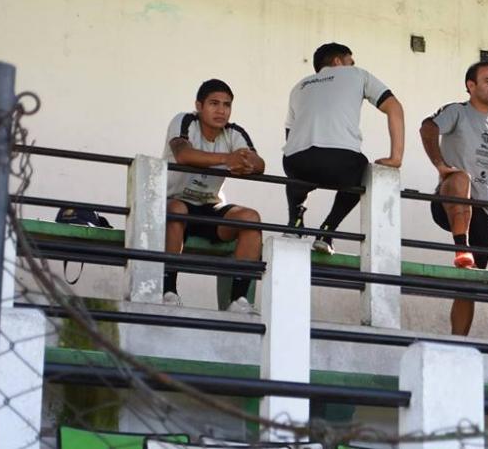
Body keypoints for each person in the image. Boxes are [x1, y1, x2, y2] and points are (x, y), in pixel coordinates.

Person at [420, 61, 488, 336]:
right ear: (470, 86)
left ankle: (458, 341)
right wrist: (439, 164)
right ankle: (461, 247)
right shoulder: (457, 111)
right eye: (487, 80)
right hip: (449, 201)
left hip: (482, 212)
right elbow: (427, 127)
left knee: (469, 285)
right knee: (461, 177)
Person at [284, 42, 404, 255]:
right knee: (362, 173)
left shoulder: (298, 87)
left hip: (295, 162)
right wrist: (396, 158)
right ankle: (327, 231)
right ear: (339, 62)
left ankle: (295, 221)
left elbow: (290, 134)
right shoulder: (356, 74)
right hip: (338, 161)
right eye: (351, 61)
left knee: (296, 169)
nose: (353, 64)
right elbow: (394, 107)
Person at [164, 79, 265, 312]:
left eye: (227, 105)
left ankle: (239, 301)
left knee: (251, 217)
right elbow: (183, 154)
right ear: (199, 106)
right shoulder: (184, 121)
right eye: (214, 103)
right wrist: (226, 159)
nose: (221, 110)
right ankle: (168, 292)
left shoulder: (234, 132)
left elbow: (259, 163)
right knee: (177, 210)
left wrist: (250, 164)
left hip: (210, 207)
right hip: (175, 203)